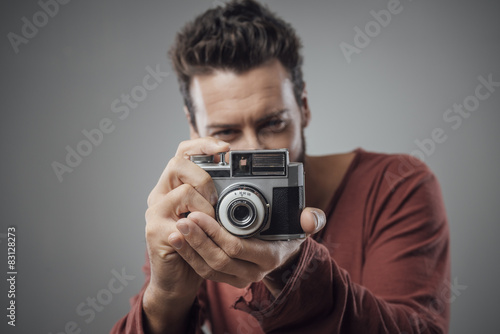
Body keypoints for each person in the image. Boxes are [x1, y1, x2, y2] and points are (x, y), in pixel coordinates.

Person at [111, 0, 450, 333]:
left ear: (303, 107)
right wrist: (166, 296)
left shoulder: (396, 185)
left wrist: (292, 269)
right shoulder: (194, 206)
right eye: (225, 132)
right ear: (194, 129)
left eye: (273, 124)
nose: (253, 150)